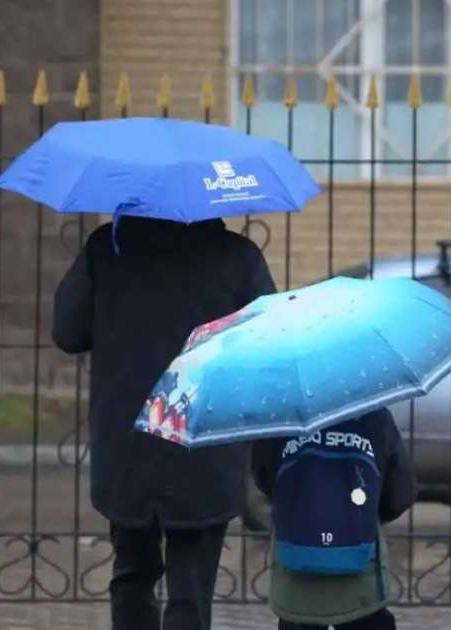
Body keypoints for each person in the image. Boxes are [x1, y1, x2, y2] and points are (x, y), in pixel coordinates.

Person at [53, 217, 276, 630]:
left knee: (132, 576)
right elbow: (269, 341)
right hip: (203, 441)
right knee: (191, 589)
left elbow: (68, 331)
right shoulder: (237, 256)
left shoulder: (109, 248)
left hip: (128, 444)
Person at [252, 408, 415, 630]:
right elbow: (400, 494)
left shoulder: (282, 416)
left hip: (295, 576)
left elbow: (264, 477)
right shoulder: (374, 414)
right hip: (361, 578)